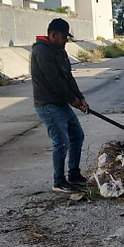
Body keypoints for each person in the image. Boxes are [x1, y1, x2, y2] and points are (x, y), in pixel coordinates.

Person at [31, 18, 90, 193]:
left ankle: (74, 175)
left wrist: (80, 98)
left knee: (77, 135)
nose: (66, 41)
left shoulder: (60, 51)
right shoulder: (41, 51)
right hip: (47, 104)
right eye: (64, 37)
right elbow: (54, 81)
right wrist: (73, 101)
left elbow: (68, 78)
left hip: (61, 102)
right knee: (61, 143)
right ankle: (59, 182)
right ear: (53, 35)